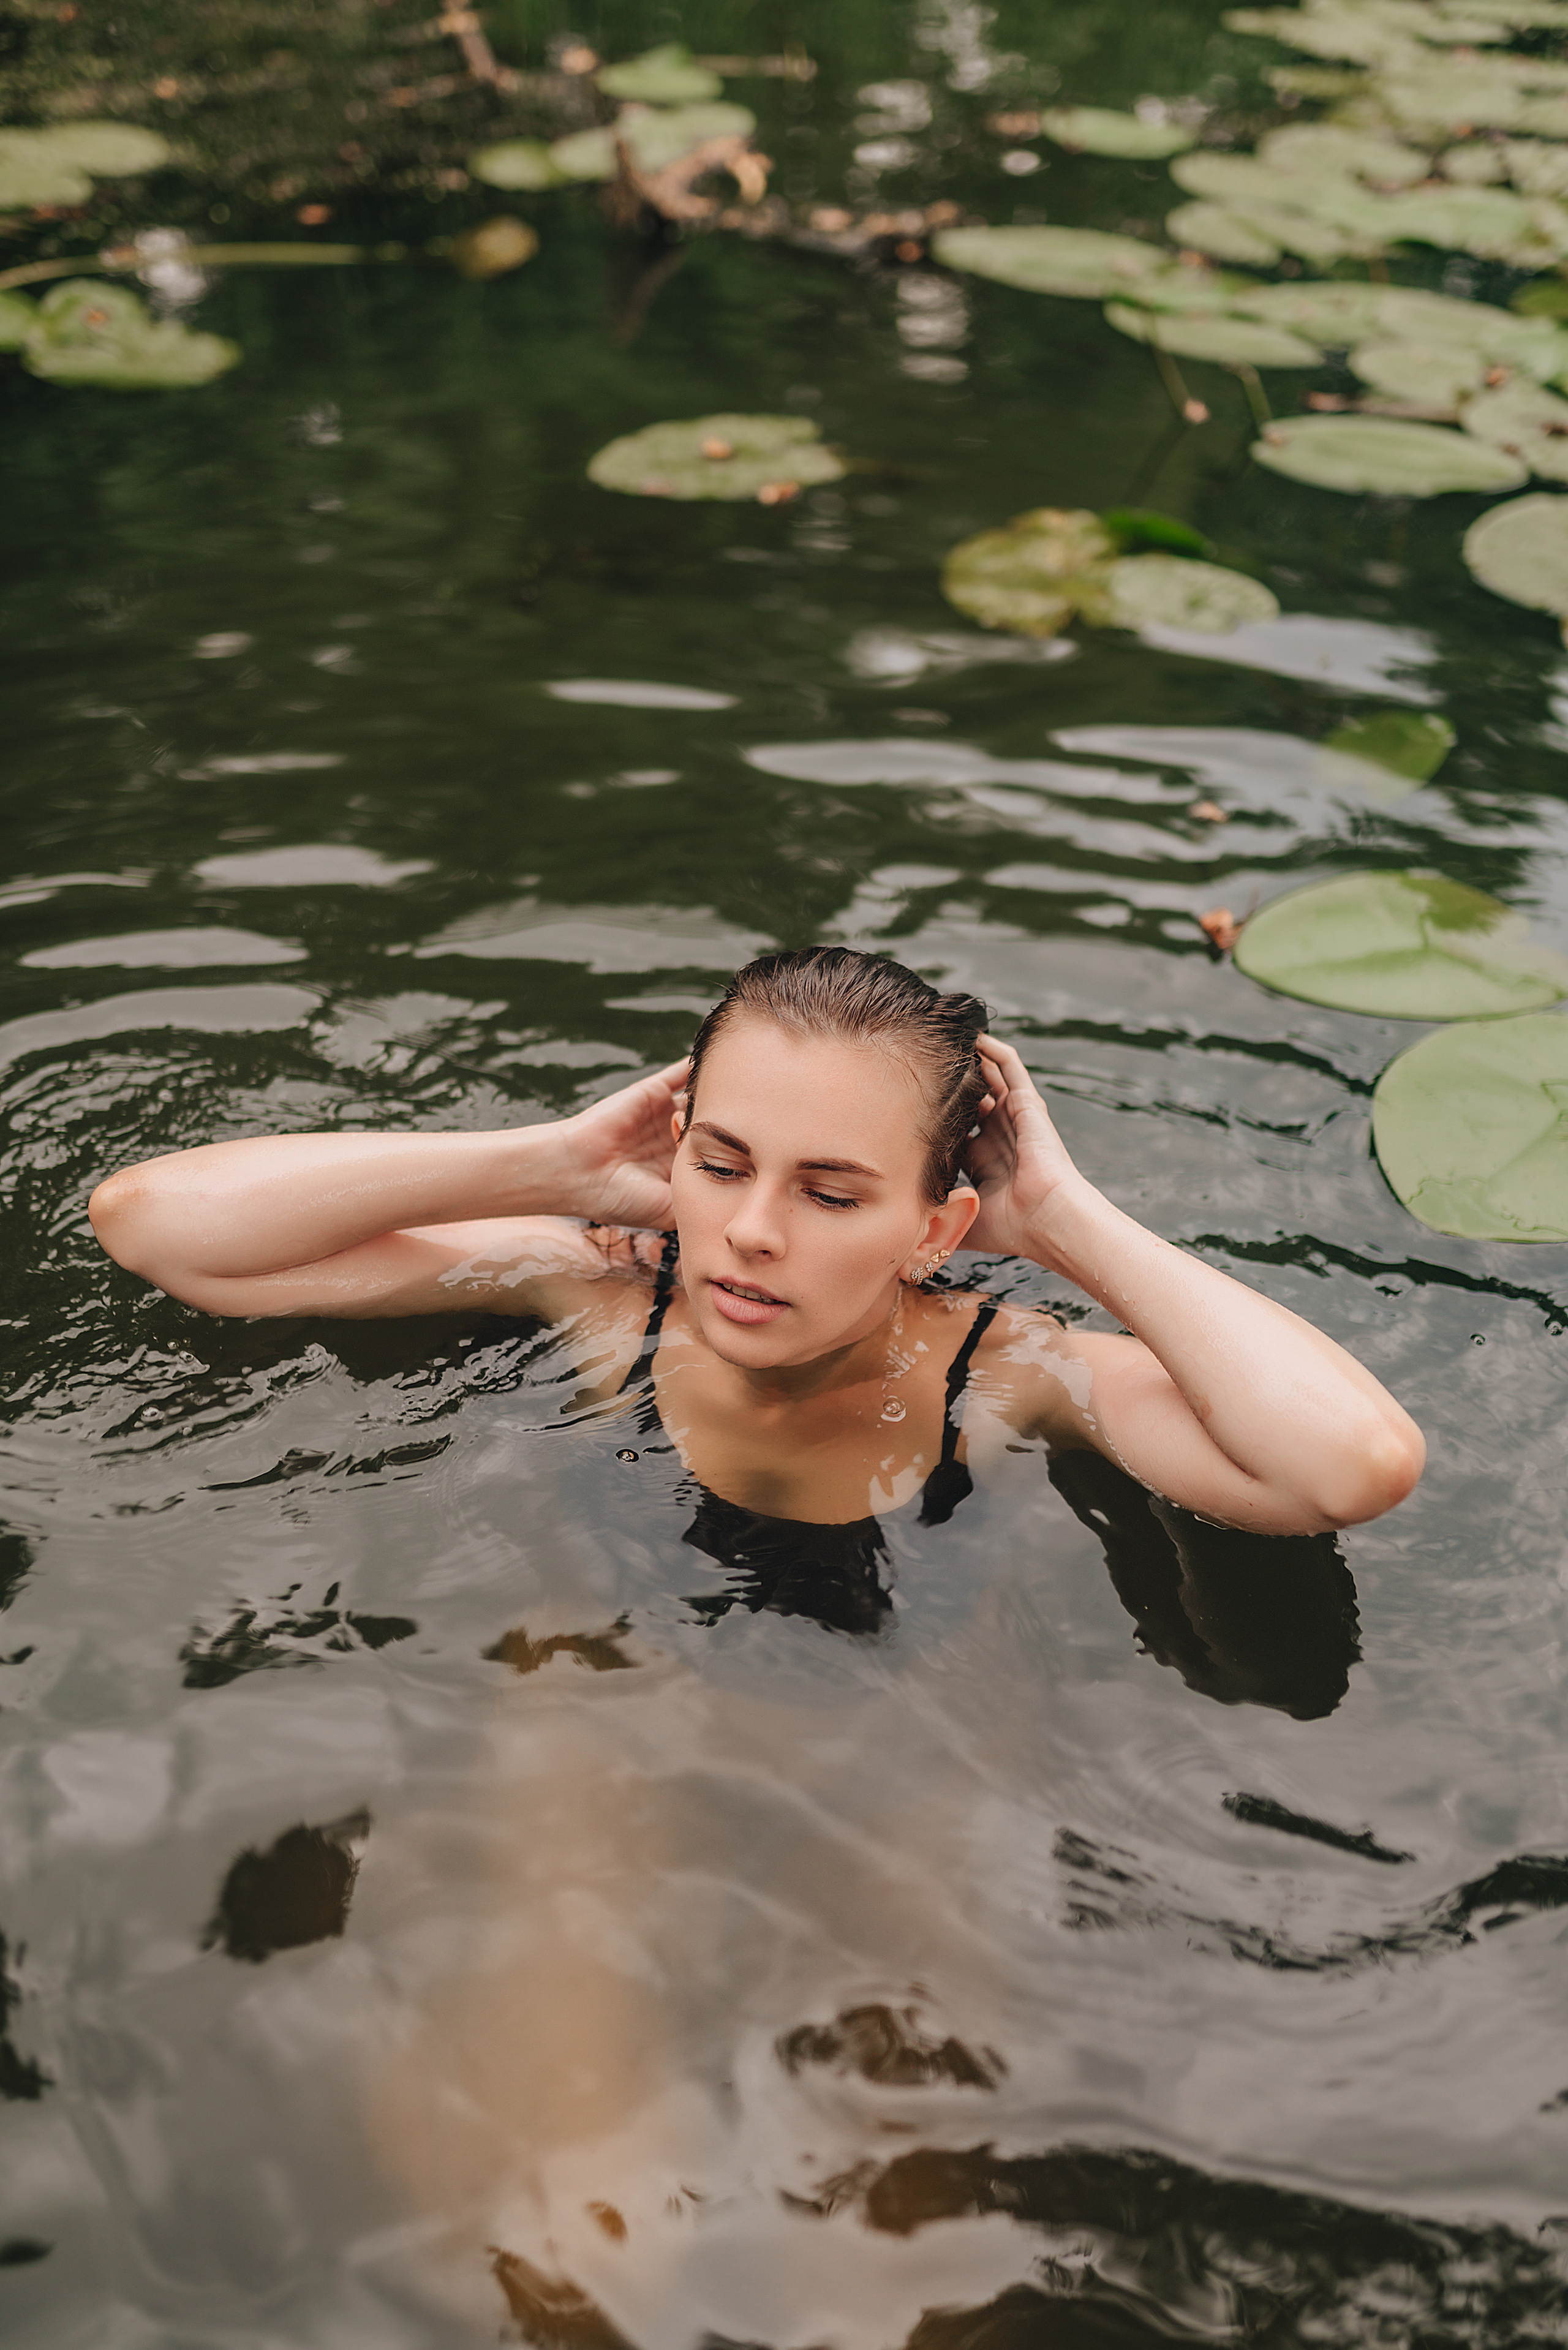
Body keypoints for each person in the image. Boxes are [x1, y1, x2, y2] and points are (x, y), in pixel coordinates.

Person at [89, 946, 1423, 1545]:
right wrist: (547, 1161)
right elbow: (157, 1227)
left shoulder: (1006, 1370)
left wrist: (1065, 1222)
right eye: (721, 1165)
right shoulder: (600, 1283)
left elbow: (1347, 1467)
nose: (751, 1231)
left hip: (895, 1788)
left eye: (832, 1195)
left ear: (935, 1227)